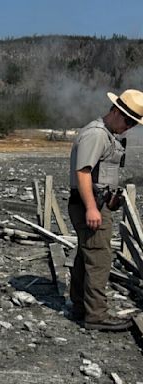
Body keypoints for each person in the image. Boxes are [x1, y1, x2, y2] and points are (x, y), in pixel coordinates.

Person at [68, 89, 143, 331]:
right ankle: (96, 315)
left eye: (134, 123)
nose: (129, 126)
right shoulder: (97, 134)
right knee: (99, 258)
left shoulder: (106, 134)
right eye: (128, 120)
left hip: (96, 204)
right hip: (91, 205)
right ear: (115, 111)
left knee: (87, 255)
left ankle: (81, 307)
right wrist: (91, 207)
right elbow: (83, 172)